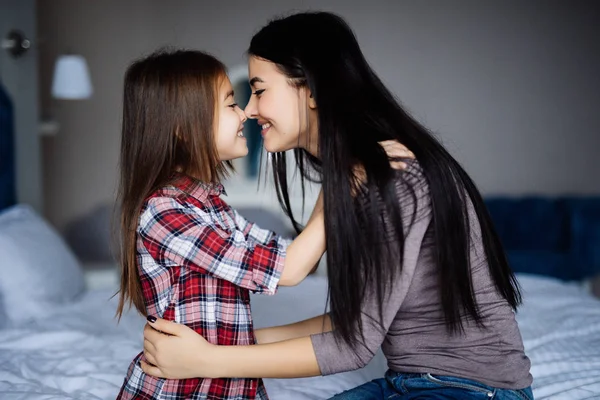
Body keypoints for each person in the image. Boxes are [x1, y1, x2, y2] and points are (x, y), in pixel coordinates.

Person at [140, 11, 534, 400]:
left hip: (471, 389)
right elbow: (356, 318)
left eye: (259, 90)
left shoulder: (390, 176)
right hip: (409, 381)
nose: (252, 109)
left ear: (310, 90)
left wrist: (208, 361)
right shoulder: (350, 177)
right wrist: (227, 342)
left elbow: (354, 343)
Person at [114, 48, 330, 400]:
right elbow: (286, 270)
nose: (245, 113)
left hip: (227, 386)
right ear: (184, 128)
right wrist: (340, 180)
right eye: (231, 104)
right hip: (182, 392)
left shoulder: (214, 207)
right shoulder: (165, 213)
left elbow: (289, 254)